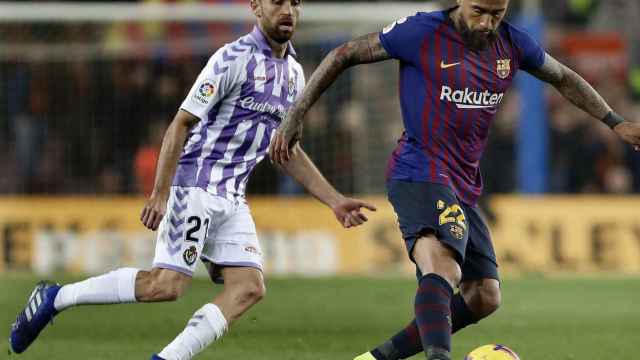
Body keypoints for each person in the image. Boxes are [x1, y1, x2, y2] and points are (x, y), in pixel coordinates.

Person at [269, 1, 640, 359]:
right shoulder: (421, 31)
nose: (486, 23)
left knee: (484, 296)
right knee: (443, 267)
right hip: (419, 170)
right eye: (478, 11)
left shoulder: (513, 43)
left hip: (462, 183)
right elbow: (343, 53)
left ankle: (373, 359)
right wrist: (296, 114)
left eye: (497, 13)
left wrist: (614, 121)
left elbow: (564, 78)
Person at [9, 1, 376, 359]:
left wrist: (334, 200)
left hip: (232, 198)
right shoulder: (231, 59)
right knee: (165, 286)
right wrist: (160, 192)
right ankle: (56, 297)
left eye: (295, 3)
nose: (287, 11)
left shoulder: (295, 74)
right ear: (255, 7)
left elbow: (285, 149)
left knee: (248, 289)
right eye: (277, 2)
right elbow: (180, 123)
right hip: (195, 186)